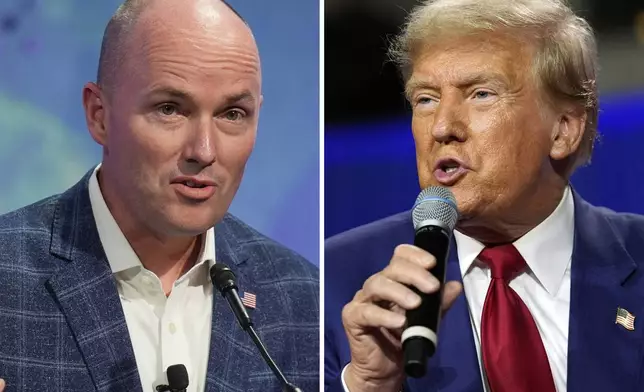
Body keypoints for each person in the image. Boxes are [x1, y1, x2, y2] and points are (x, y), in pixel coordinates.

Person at [325, 0, 644, 391]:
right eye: (425, 99)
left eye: (480, 94)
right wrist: (367, 385)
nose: (442, 127)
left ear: (563, 130)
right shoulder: (333, 285)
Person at [0, 1, 319, 391]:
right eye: (170, 109)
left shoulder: (304, 300)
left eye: (233, 114)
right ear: (99, 115)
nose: (203, 150)